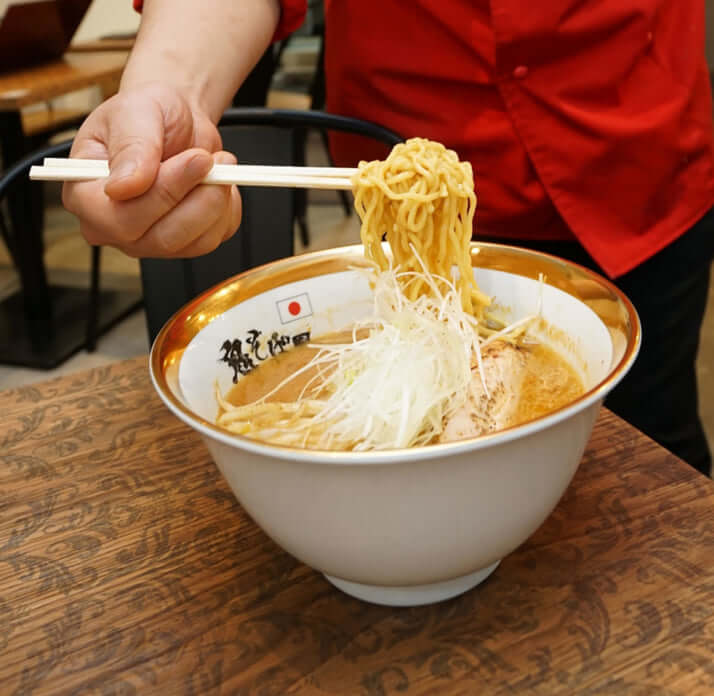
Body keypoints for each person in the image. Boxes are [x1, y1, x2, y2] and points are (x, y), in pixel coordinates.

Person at [62, 0, 714, 476]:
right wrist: (164, 96)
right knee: (419, 467)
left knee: (659, 452)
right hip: (408, 134)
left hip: (638, 154)